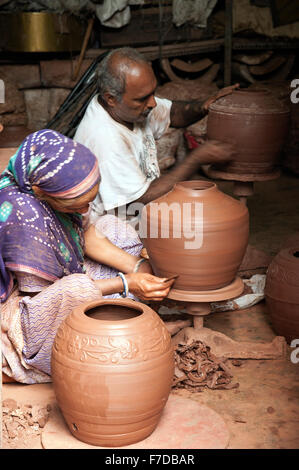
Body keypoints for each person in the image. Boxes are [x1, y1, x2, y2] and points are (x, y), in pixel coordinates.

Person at [0, 129, 174, 384]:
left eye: (89, 200)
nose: (84, 209)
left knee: (114, 228)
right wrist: (126, 283)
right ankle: (93, 340)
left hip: (56, 282)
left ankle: (121, 313)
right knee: (76, 288)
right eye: (76, 205)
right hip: (20, 312)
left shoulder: (52, 185)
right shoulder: (24, 218)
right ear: (39, 191)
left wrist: (138, 266)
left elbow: (87, 233)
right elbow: (50, 298)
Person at [74, 47, 238, 222]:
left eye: (153, 93)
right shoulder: (104, 138)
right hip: (116, 230)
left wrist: (202, 107)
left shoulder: (128, 108)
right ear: (111, 99)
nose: (152, 103)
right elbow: (142, 200)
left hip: (144, 213)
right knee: (209, 231)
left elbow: (172, 113)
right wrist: (196, 158)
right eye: (142, 98)